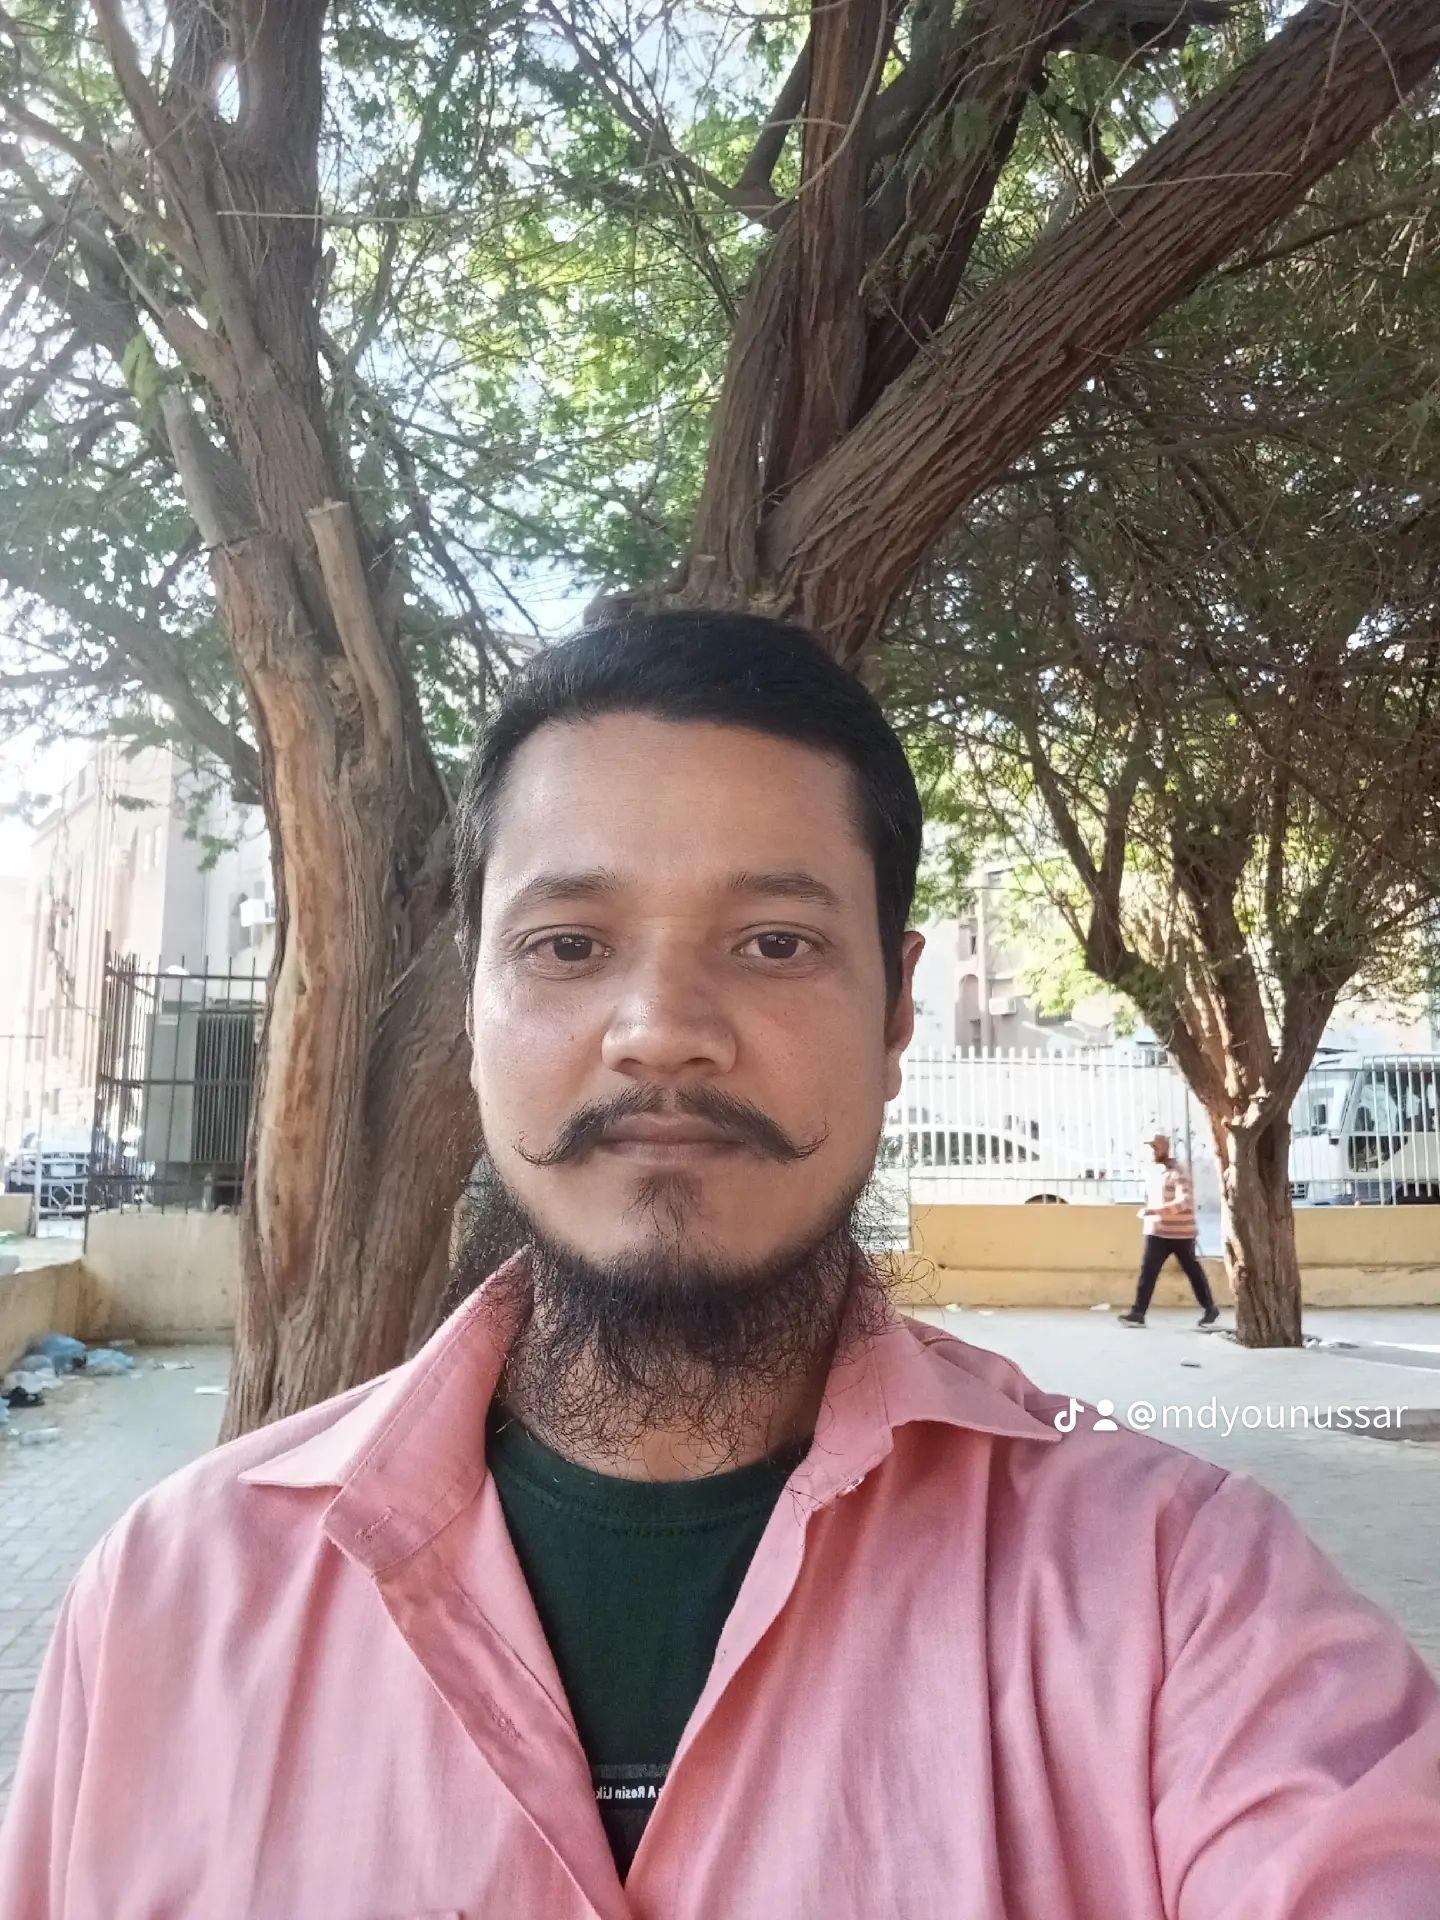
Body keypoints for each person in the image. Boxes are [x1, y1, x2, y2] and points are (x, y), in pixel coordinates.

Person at [3, 612, 1439, 1917]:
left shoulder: (1190, 1598)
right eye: (569, 945)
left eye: (775, 942)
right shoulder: (169, 1602)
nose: (663, 1032)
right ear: (471, 1006)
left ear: (897, 1014)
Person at [1118, 1131, 1219, 1329]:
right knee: (1148, 1271)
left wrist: (1157, 1211)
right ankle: (1138, 1313)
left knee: (1192, 1271)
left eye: (1155, 1147)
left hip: (1180, 1233)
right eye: (1149, 1148)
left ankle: (1209, 1308)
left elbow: (1185, 1201)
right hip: (1157, 1231)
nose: (1151, 1152)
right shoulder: (1154, 1172)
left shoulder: (1178, 1171)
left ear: (1165, 1148)